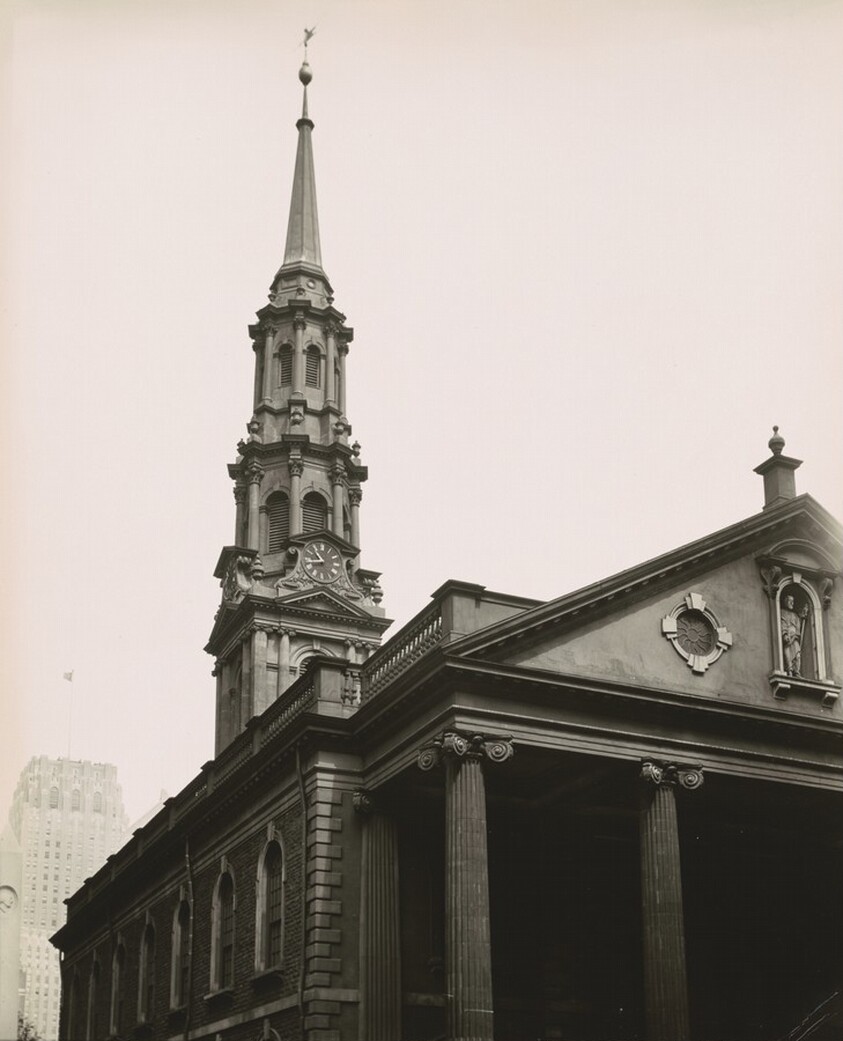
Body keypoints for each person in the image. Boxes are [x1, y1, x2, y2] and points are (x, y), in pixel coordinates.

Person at [781, 592, 808, 677]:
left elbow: (798, 623)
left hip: (794, 637)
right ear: (786, 602)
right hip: (787, 636)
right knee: (788, 653)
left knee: (797, 655)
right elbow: (782, 623)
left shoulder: (795, 615)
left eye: (793, 601)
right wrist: (785, 634)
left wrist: (803, 614)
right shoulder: (781, 612)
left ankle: (796, 671)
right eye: (790, 601)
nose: (792, 603)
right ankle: (789, 669)